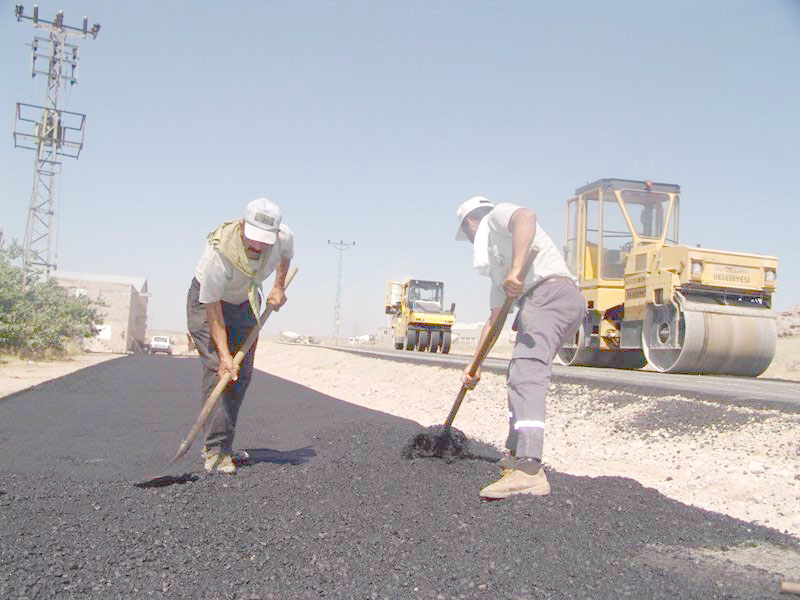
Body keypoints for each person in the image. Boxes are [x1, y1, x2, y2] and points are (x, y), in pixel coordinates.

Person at [455, 196, 585, 498]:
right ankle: (515, 453)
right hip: (545, 301)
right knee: (519, 373)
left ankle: (528, 468)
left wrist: (517, 270)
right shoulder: (498, 272)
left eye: (467, 234)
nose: (471, 241)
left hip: (551, 294)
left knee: (527, 371)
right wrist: (474, 366)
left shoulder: (497, 217)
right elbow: (494, 320)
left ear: (471, 222)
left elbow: (527, 215)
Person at [187, 198, 293, 474]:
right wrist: (223, 355)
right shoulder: (218, 254)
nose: (258, 247)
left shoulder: (282, 237)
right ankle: (215, 451)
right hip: (208, 303)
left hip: (244, 301)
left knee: (241, 374)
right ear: (243, 225)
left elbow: (286, 256)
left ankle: (223, 444)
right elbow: (212, 309)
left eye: (264, 241)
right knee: (220, 371)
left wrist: (278, 286)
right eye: (253, 239)